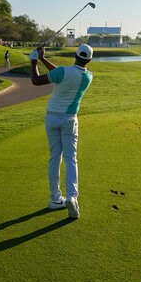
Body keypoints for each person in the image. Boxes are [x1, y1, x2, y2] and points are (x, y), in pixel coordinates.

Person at [30, 43, 94, 219]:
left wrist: (34, 61)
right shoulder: (88, 76)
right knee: (70, 158)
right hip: (69, 120)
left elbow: (36, 81)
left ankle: (55, 198)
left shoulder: (63, 72)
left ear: (75, 55)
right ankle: (72, 197)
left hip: (52, 118)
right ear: (89, 59)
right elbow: (61, 74)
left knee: (54, 157)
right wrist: (42, 58)